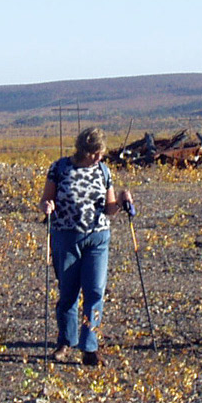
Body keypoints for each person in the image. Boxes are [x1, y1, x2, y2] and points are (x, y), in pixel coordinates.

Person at [38, 127, 133, 367]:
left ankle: (89, 346)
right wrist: (47, 207)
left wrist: (121, 202)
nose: (98, 158)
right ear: (84, 151)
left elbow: (109, 209)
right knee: (68, 292)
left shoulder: (103, 171)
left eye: (100, 154)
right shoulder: (59, 168)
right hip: (66, 237)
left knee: (94, 292)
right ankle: (65, 341)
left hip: (98, 238)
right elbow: (45, 200)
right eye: (95, 154)